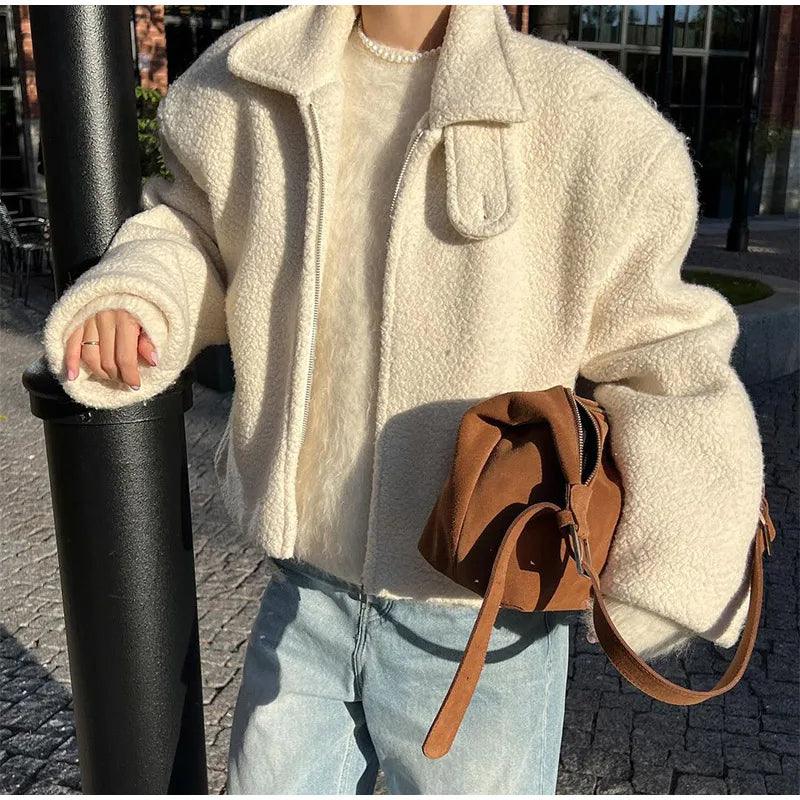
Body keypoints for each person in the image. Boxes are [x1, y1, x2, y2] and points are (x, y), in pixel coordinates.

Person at [41, 4, 767, 794]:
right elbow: (191, 229)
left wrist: (671, 558)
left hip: (485, 621)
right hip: (305, 589)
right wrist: (141, 295)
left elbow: (666, 353)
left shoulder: (588, 121)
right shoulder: (249, 83)